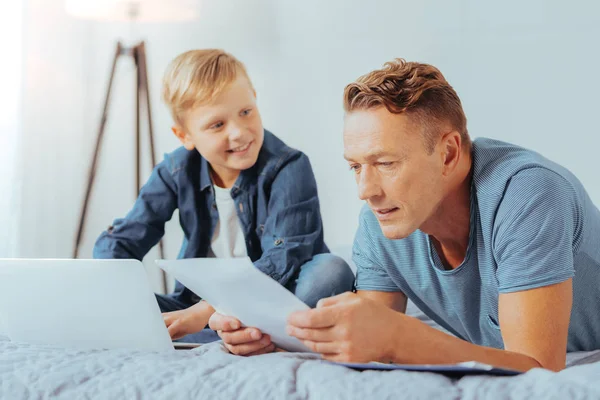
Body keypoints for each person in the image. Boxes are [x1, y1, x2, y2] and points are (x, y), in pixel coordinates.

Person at [215, 58, 600, 371]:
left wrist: (399, 337)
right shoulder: (379, 222)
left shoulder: (528, 194)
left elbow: (538, 369)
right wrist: (275, 341)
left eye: (384, 162)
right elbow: (367, 344)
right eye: (355, 166)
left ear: (448, 153)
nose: (365, 190)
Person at [93, 49, 355, 346]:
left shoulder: (289, 166)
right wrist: (109, 285)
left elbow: (285, 256)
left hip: (277, 295)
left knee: (330, 272)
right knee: (108, 300)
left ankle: (220, 328)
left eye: (246, 112)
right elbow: (124, 241)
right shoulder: (175, 171)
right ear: (185, 136)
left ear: (254, 98)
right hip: (196, 305)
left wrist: (209, 310)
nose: (240, 133)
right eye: (217, 125)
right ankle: (227, 331)